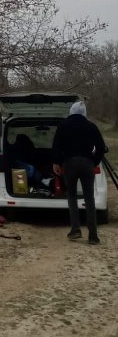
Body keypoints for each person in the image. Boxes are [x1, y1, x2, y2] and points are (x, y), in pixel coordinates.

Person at [52, 101, 107, 244]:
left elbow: (56, 145)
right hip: (87, 163)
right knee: (89, 198)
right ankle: (93, 236)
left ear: (71, 111)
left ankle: (75, 229)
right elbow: (101, 147)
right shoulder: (91, 126)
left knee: (72, 196)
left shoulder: (63, 125)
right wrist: (93, 161)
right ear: (84, 113)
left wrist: (57, 162)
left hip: (69, 164)